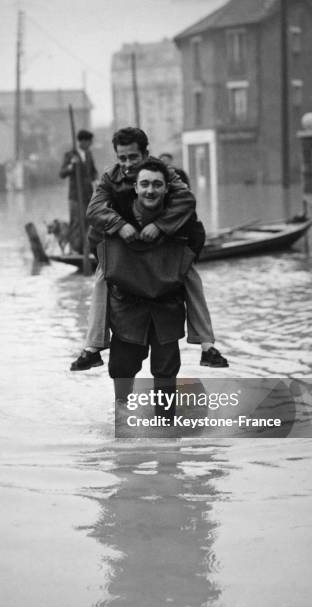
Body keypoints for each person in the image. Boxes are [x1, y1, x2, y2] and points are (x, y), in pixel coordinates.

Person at [70, 127, 228, 371]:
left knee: (190, 278)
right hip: (125, 249)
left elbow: (186, 200)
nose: (128, 164)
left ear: (146, 154)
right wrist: (119, 225)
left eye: (134, 157)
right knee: (102, 277)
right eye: (122, 158)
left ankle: (207, 345)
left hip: (169, 249)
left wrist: (161, 226)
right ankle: (93, 347)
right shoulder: (111, 177)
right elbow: (94, 210)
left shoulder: (163, 173)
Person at [106, 159, 199, 416]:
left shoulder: (181, 216)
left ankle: (166, 431)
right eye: (144, 184)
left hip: (166, 306)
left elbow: (196, 244)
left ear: (167, 188)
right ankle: (122, 422)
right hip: (127, 306)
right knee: (123, 368)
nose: (150, 191)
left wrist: (163, 235)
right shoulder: (118, 212)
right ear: (135, 187)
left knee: (166, 370)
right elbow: (98, 245)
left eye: (157, 185)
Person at [59, 129, 98, 254]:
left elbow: (93, 171)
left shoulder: (89, 154)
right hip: (75, 195)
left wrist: (96, 180)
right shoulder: (70, 155)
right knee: (76, 221)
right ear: (83, 141)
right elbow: (62, 173)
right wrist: (71, 165)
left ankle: (87, 248)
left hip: (88, 194)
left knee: (88, 220)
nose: (91, 144)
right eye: (89, 142)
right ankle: (76, 249)